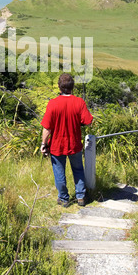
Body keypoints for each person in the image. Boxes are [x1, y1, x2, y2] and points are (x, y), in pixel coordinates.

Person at [40, 73, 93, 207]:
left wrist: (43, 144)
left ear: (59, 87)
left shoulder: (53, 103)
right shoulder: (79, 102)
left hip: (57, 145)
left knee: (59, 172)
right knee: (78, 170)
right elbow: (88, 122)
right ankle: (80, 196)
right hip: (74, 143)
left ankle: (64, 198)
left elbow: (47, 128)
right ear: (72, 87)